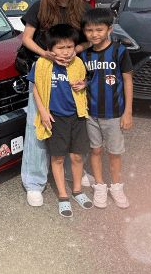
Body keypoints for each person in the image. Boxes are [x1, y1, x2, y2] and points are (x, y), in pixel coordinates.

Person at [20, 0, 93, 207]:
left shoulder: (83, 9)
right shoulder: (39, 7)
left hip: (72, 73)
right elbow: (27, 38)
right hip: (44, 72)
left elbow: (90, 40)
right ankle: (34, 182)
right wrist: (46, 54)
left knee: (75, 124)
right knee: (39, 127)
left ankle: (74, 173)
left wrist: (75, 52)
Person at [28, 24, 92, 217]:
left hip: (77, 116)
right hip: (55, 119)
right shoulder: (42, 64)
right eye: (60, 48)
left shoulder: (78, 63)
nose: (65, 52)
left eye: (69, 47)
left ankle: (77, 190)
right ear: (50, 49)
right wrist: (42, 112)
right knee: (57, 158)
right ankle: (63, 196)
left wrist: (84, 84)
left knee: (77, 156)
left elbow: (85, 81)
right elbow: (36, 87)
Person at [79, 8, 133, 208]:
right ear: (84, 31)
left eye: (99, 30)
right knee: (96, 150)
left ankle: (116, 186)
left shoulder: (119, 51)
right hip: (91, 114)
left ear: (109, 29)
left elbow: (128, 81)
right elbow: (86, 79)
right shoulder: (84, 55)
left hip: (114, 113)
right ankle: (100, 186)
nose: (94, 34)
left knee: (114, 152)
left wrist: (128, 112)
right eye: (89, 30)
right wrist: (82, 85)